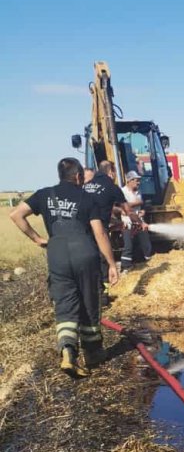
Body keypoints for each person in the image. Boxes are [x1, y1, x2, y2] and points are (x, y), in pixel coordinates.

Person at [10, 157, 119, 377]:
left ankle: (68, 350)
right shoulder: (87, 197)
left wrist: (37, 239)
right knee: (89, 300)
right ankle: (93, 352)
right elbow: (99, 232)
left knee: (65, 304)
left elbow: (16, 214)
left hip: (57, 253)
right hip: (85, 252)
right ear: (78, 176)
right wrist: (110, 262)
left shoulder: (44, 194)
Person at [83, 161, 131, 291]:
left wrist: (117, 223)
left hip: (80, 231)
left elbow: (98, 208)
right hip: (97, 231)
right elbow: (128, 211)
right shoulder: (112, 188)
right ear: (111, 172)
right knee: (102, 258)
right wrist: (139, 222)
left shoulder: (85, 186)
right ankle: (102, 292)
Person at [121, 171, 153, 269]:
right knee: (128, 246)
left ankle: (148, 262)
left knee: (146, 244)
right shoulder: (122, 192)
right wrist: (137, 202)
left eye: (139, 181)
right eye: (136, 180)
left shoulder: (139, 192)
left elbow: (141, 205)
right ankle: (126, 267)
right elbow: (123, 206)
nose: (138, 183)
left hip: (139, 221)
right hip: (128, 222)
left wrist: (143, 210)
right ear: (129, 181)